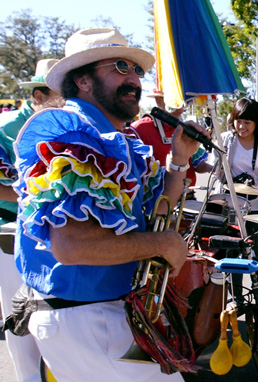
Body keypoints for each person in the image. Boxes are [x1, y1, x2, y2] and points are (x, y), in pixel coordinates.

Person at [13, 27, 207, 381]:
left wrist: (180, 158)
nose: (134, 79)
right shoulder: (72, 135)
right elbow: (71, 246)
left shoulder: (115, 140)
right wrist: (162, 244)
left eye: (137, 70)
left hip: (99, 314)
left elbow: (158, 208)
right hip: (83, 317)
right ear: (83, 81)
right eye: (120, 66)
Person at [0, 58, 64, 382]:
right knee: (22, 330)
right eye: (57, 94)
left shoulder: (65, 126)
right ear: (38, 95)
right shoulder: (7, 130)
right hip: (11, 239)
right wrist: (37, 195)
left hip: (56, 241)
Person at [215, 98, 258, 306]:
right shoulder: (226, 141)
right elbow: (217, 173)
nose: (242, 127)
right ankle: (234, 297)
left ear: (256, 123)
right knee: (232, 252)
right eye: (238, 121)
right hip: (230, 206)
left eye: (247, 122)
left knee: (257, 253)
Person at [126, 96, 212, 194]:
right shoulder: (138, 129)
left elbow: (196, 163)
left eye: (183, 101)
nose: (179, 107)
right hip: (155, 203)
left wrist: (212, 168)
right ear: (158, 100)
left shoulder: (186, 128)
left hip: (187, 198)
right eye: (174, 100)